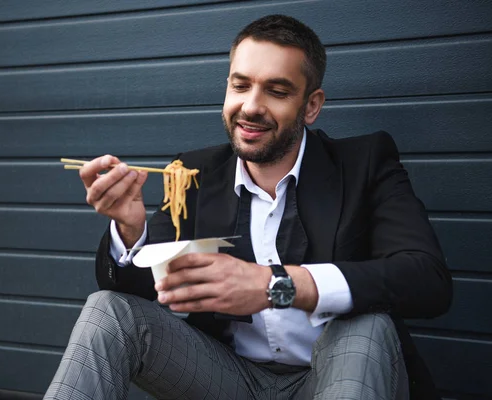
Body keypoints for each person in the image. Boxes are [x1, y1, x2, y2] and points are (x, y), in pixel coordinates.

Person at [44, 15, 452, 400]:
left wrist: (274, 284)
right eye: (240, 86)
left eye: (276, 91)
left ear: (311, 105)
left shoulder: (365, 162)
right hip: (228, 378)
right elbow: (145, 289)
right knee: (107, 311)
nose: (251, 106)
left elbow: (427, 281)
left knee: (367, 324)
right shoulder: (193, 171)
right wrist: (131, 231)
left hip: (335, 374)